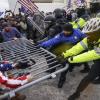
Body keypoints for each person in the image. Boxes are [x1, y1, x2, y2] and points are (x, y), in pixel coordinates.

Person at [60, 18, 100, 100]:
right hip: (97, 58)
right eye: (87, 34)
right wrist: (64, 55)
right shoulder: (89, 38)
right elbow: (77, 48)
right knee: (89, 77)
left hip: (97, 55)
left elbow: (93, 54)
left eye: (90, 34)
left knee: (91, 75)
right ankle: (77, 93)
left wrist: (71, 59)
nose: (87, 36)